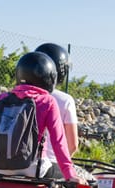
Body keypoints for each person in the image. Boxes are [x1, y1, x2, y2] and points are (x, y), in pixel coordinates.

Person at [0, 51, 84, 184]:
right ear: (50, 77)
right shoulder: (47, 101)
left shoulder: (2, 98)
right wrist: (70, 175)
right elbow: (58, 142)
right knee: (78, 179)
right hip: (34, 170)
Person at [34, 43, 80, 178]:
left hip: (16, 165)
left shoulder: (16, 96)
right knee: (92, 182)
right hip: (49, 167)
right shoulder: (65, 100)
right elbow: (72, 145)